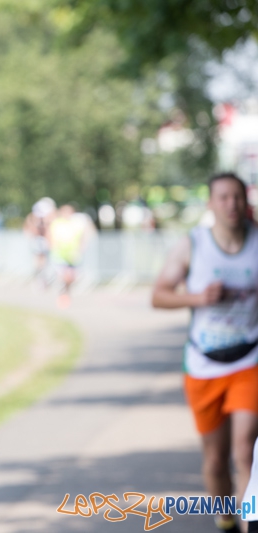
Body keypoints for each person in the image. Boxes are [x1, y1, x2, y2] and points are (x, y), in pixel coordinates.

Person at [152, 172, 258, 533]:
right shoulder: (193, 245)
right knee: (215, 461)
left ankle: (250, 525)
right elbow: (158, 295)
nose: (232, 205)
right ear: (211, 204)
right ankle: (227, 521)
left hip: (250, 359)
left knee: (245, 452)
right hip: (204, 363)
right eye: (223, 198)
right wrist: (198, 297)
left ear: (247, 202)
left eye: (238, 197)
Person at [23, 197, 56, 288]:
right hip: (39, 241)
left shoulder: (49, 217)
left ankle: (44, 280)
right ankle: (39, 280)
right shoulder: (34, 217)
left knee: (45, 262)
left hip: (46, 241)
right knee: (39, 262)